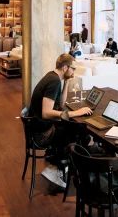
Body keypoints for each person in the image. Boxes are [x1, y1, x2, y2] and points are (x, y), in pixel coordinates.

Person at [27, 53, 92, 187]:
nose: (74, 71)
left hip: (39, 127)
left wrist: (67, 82)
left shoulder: (54, 77)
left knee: (75, 128)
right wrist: (75, 113)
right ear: (65, 67)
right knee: (80, 131)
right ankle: (56, 168)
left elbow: (61, 104)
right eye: (73, 68)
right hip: (41, 134)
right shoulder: (54, 81)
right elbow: (46, 113)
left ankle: (64, 165)